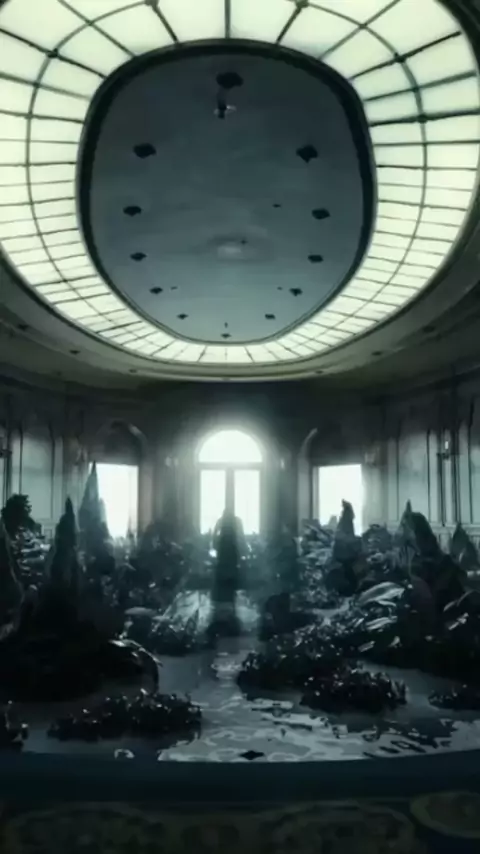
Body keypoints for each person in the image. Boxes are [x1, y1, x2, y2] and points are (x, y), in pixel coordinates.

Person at [209, 508, 246, 639]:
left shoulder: (222, 524)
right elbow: (242, 541)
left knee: (224, 593)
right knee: (229, 593)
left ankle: (222, 620)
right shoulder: (236, 523)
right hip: (230, 563)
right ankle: (228, 619)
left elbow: (214, 542)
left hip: (225, 563)